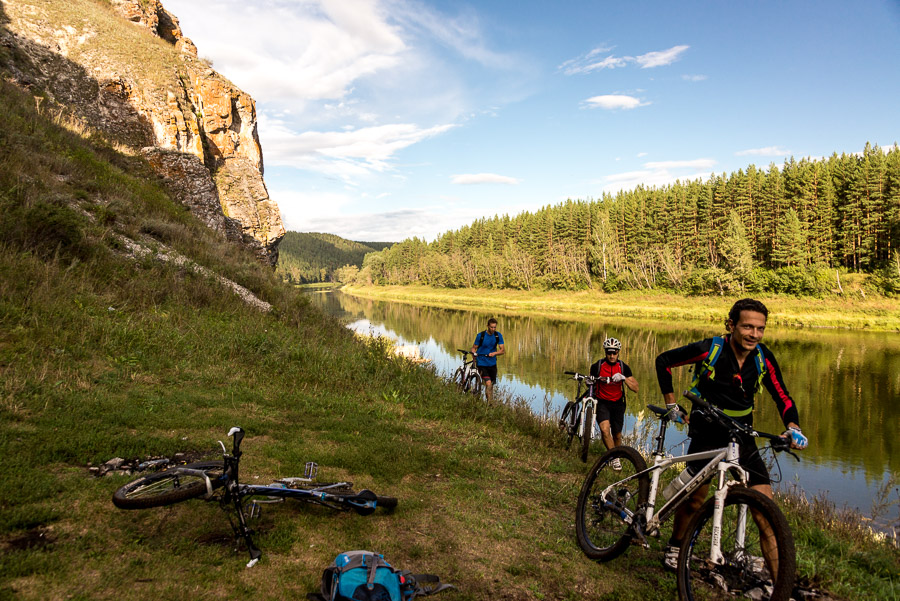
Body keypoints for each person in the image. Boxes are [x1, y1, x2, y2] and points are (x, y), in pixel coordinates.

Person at [654, 298, 808, 571]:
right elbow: (664, 361)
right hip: (707, 429)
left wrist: (793, 426)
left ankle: (780, 587)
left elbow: (782, 395)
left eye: (760, 328)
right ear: (731, 325)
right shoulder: (711, 349)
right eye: (748, 327)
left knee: (765, 510)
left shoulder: (763, 356)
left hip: (742, 434)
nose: (754, 334)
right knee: (695, 500)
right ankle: (676, 546)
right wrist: (671, 405)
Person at [589, 337, 639, 469]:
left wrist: (623, 378)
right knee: (605, 431)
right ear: (605, 352)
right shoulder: (597, 366)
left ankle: (617, 454)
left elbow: (636, 388)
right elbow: (591, 383)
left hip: (617, 404)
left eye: (614, 353)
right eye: (609, 353)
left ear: (618, 352)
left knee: (617, 435)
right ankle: (614, 458)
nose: (612, 356)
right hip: (602, 403)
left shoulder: (623, 367)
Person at [471, 318, 505, 402]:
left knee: (491, 385)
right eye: (491, 327)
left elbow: (502, 350)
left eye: (494, 327)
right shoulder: (481, 335)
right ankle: (490, 405)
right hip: (482, 362)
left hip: (492, 363)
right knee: (488, 383)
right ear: (487, 326)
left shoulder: (498, 335)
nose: (493, 329)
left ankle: (489, 402)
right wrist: (474, 356)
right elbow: (473, 348)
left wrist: (494, 353)